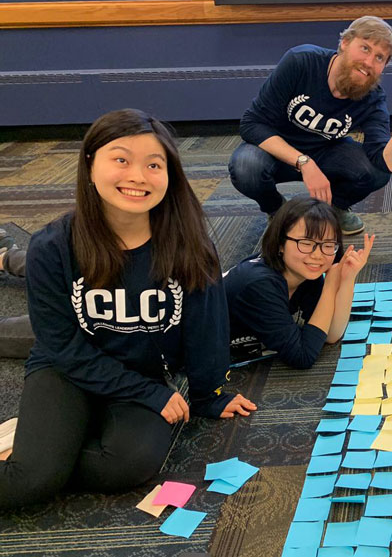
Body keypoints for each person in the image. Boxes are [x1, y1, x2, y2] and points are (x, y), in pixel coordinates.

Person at [0, 109, 255, 509]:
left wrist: (210, 395)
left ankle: (50, 449)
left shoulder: (188, 243)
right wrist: (149, 394)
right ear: (90, 165)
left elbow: (208, 328)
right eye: (121, 159)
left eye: (154, 164)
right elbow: (63, 347)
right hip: (68, 370)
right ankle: (42, 457)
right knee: (28, 483)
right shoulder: (52, 247)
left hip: (140, 373)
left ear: (169, 176)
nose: (138, 176)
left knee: (128, 467)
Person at [228, 15, 392, 235]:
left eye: (379, 58)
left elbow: (387, 163)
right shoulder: (301, 61)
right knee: (246, 167)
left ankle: (334, 207)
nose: (368, 62)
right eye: (365, 48)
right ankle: (277, 210)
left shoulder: (372, 97)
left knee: (374, 172)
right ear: (345, 43)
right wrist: (304, 162)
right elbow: (252, 124)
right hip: (275, 149)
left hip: (326, 151)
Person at [224, 196, 374, 369]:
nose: (317, 255)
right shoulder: (260, 285)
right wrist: (330, 286)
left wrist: (348, 278)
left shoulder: (303, 273)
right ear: (280, 243)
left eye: (327, 245)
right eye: (306, 243)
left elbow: (330, 334)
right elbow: (303, 357)